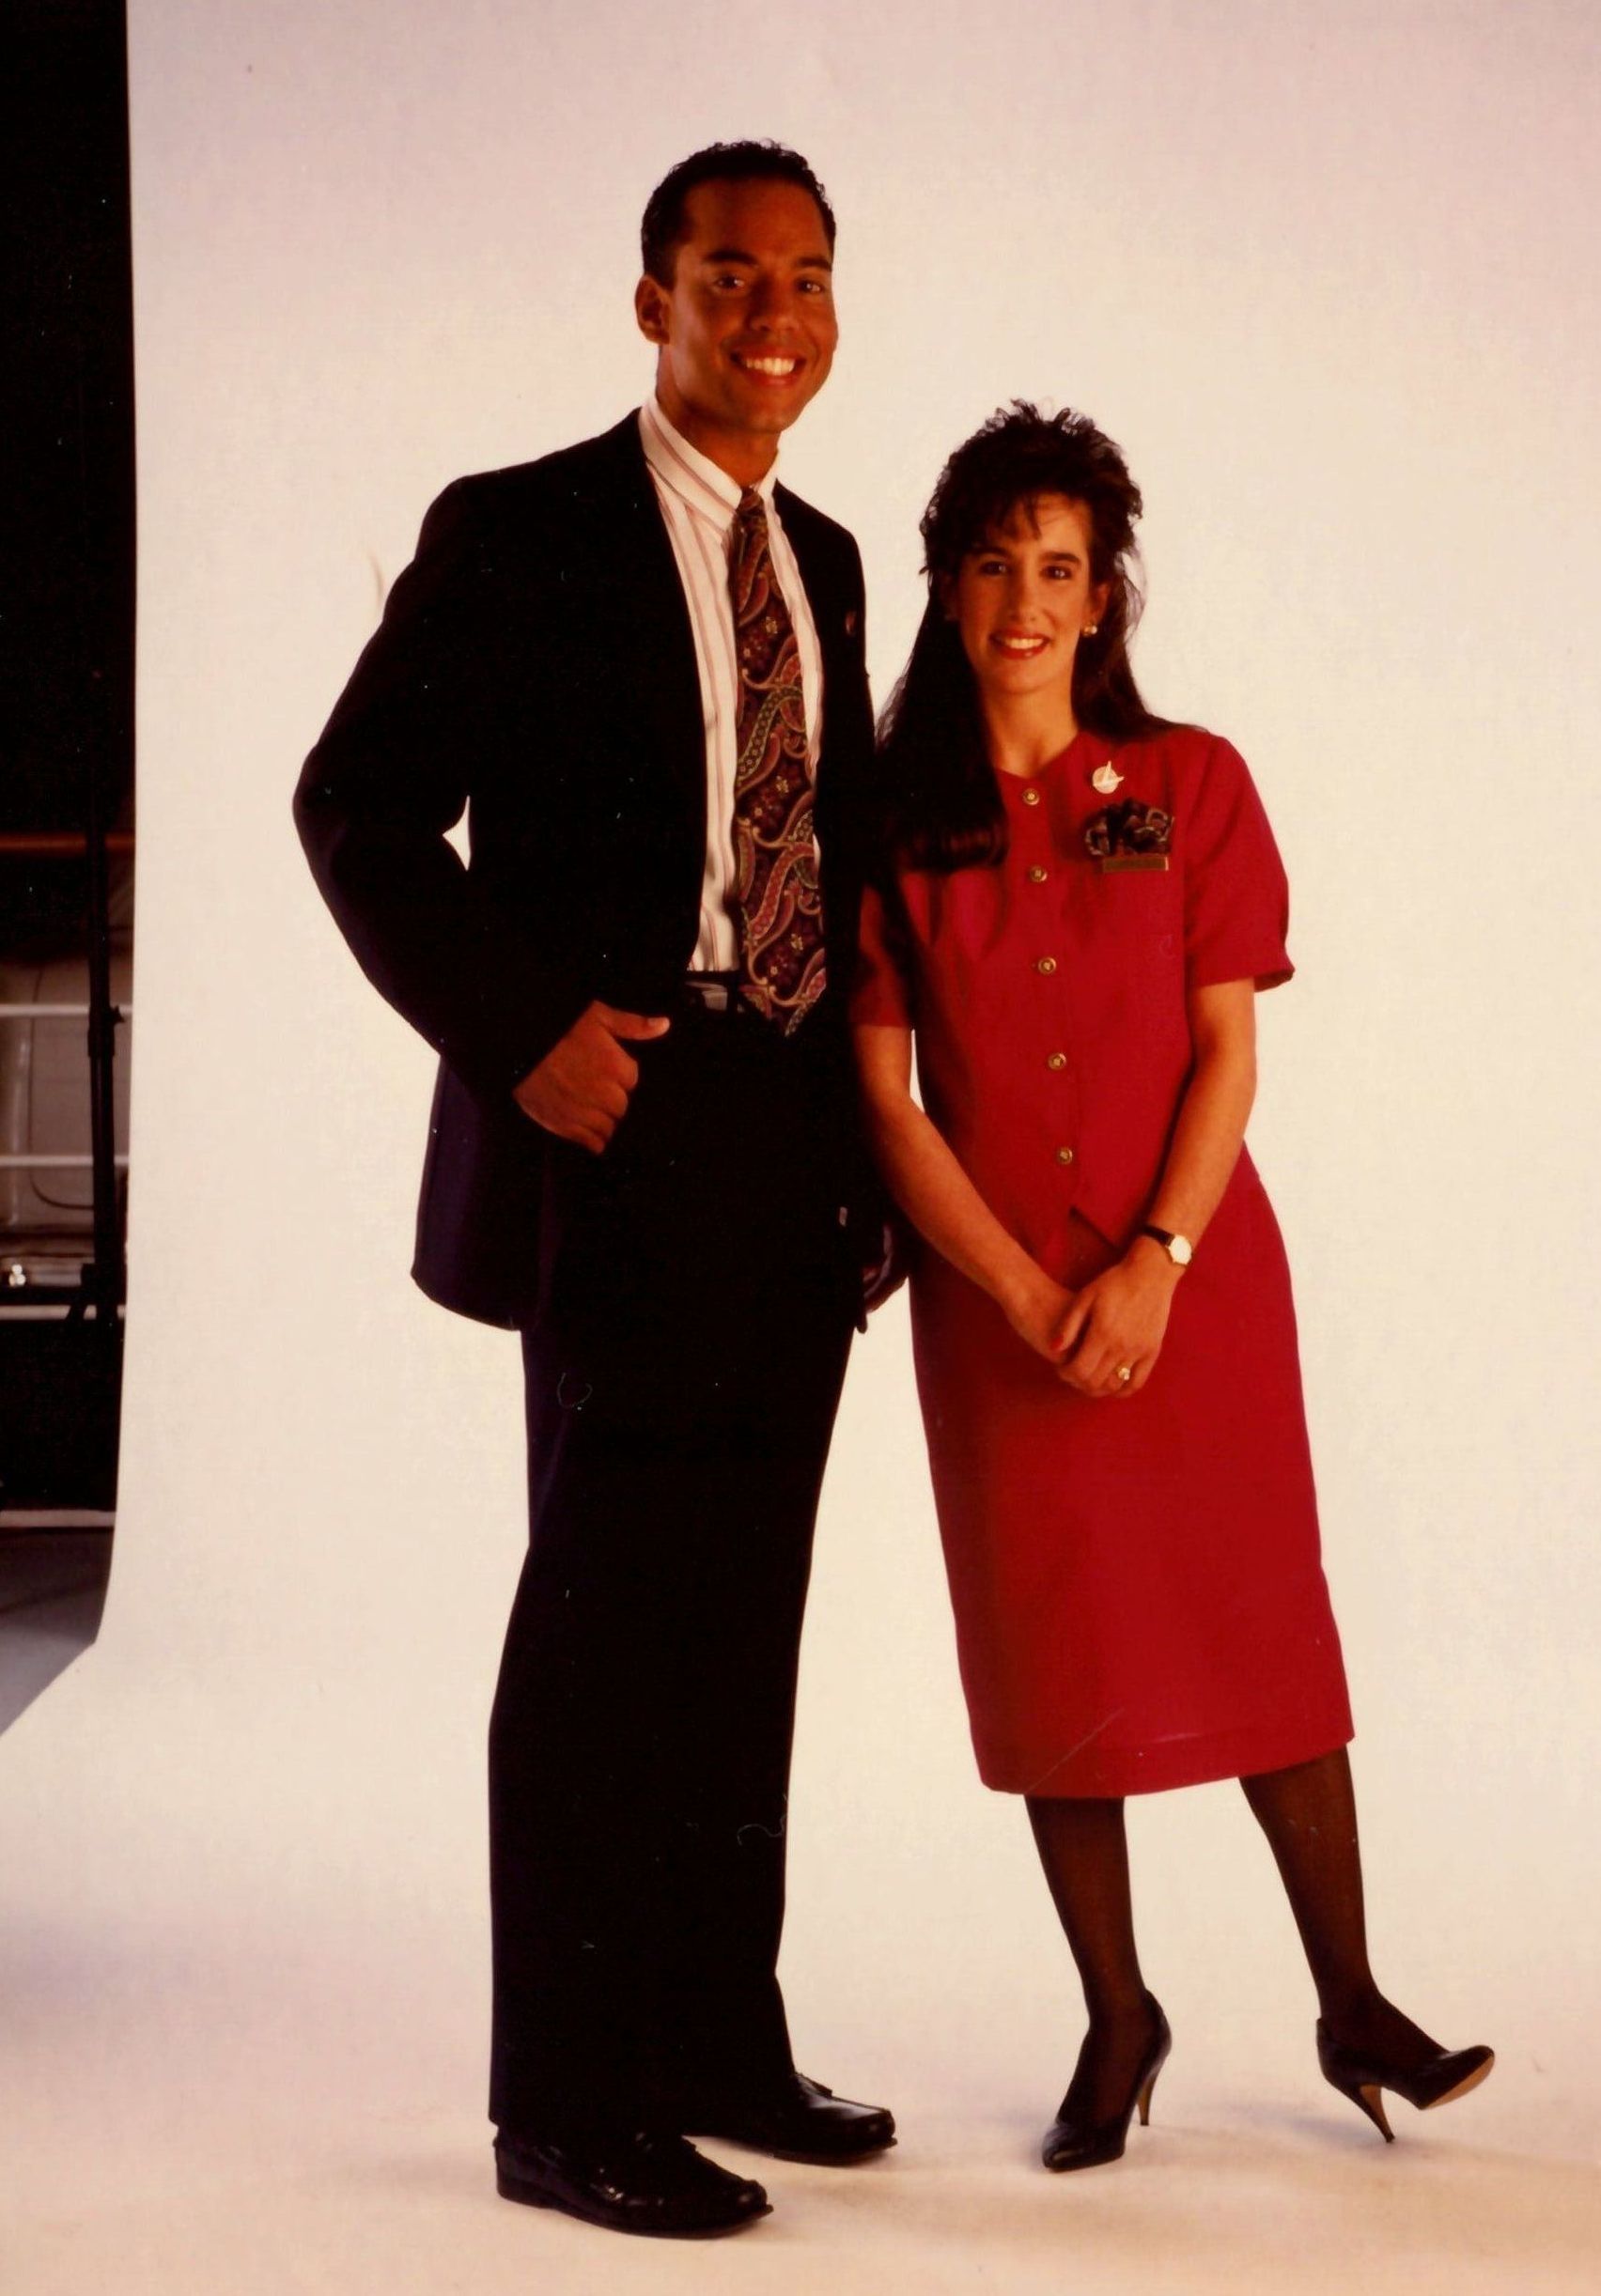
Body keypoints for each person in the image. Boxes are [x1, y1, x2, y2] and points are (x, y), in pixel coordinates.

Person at [294, 141, 896, 2241]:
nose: (772, 315)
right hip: (615, 1113)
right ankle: (559, 2103)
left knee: (747, 1609)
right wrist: (521, 1025)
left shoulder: (826, 560)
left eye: (805, 278)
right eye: (729, 275)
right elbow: (355, 806)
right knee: (604, 1620)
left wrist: (872, 1160)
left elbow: (842, 857)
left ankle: (714, 2035)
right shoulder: (524, 528)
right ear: (655, 303)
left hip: (790, 1132)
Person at [851, 403, 1492, 2173]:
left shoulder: (1188, 784)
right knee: (1052, 1643)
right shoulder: (891, 823)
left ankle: (1352, 2002)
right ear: (946, 586)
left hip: (1195, 1287)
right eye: (995, 565)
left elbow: (1227, 1053)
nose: (1026, 603)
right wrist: (1016, 1294)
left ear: (1105, 596)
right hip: (996, 1307)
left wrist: (1151, 1265)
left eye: (1060, 569)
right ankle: (1116, 2013)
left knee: (1258, 1620)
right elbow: (885, 1103)